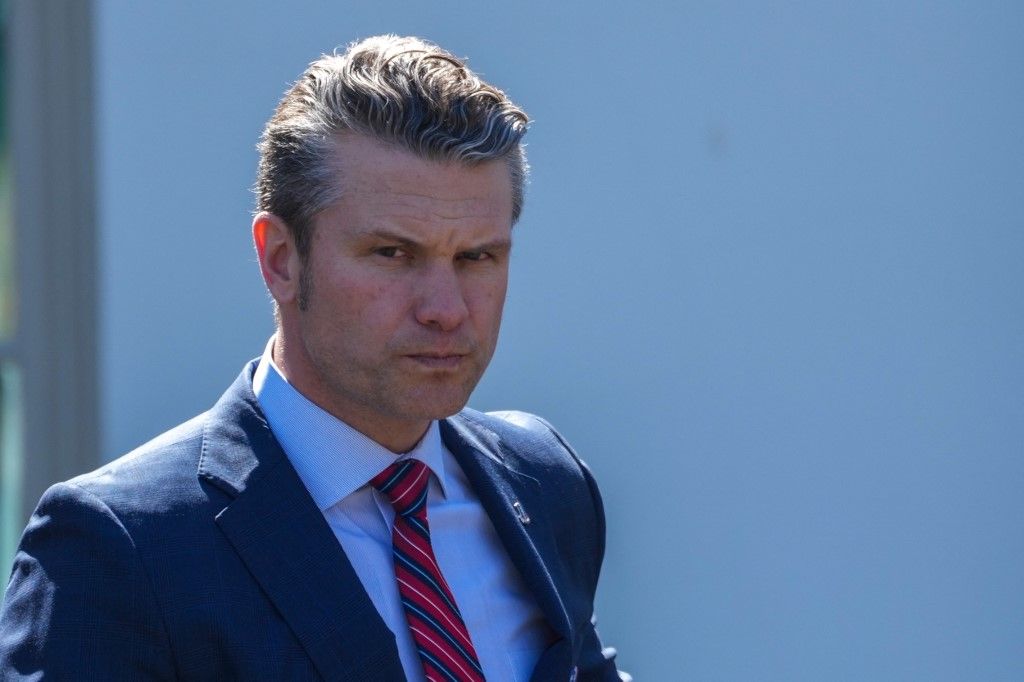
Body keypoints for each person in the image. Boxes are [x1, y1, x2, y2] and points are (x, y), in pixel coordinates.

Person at [0, 35, 629, 681]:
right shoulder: (123, 545)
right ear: (281, 260)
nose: (445, 309)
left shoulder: (545, 481)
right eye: (392, 254)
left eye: (477, 257)